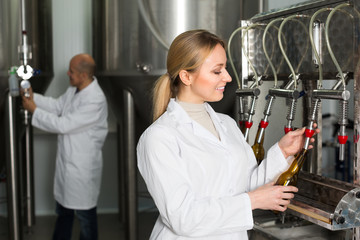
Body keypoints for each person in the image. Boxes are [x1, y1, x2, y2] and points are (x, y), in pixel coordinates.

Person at [136, 29, 319, 239]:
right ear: (186, 76)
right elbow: (183, 218)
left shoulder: (227, 124)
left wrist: (282, 151)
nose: (228, 77)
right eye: (217, 71)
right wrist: (252, 201)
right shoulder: (160, 137)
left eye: (226, 68)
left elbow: (247, 186)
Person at [22, 53, 108, 240]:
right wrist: (33, 97)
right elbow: (57, 105)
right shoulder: (75, 89)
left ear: (84, 75)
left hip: (82, 168)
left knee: (85, 218)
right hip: (67, 165)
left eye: (72, 71)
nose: (67, 73)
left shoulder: (95, 99)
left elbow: (63, 124)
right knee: (63, 212)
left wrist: (33, 110)